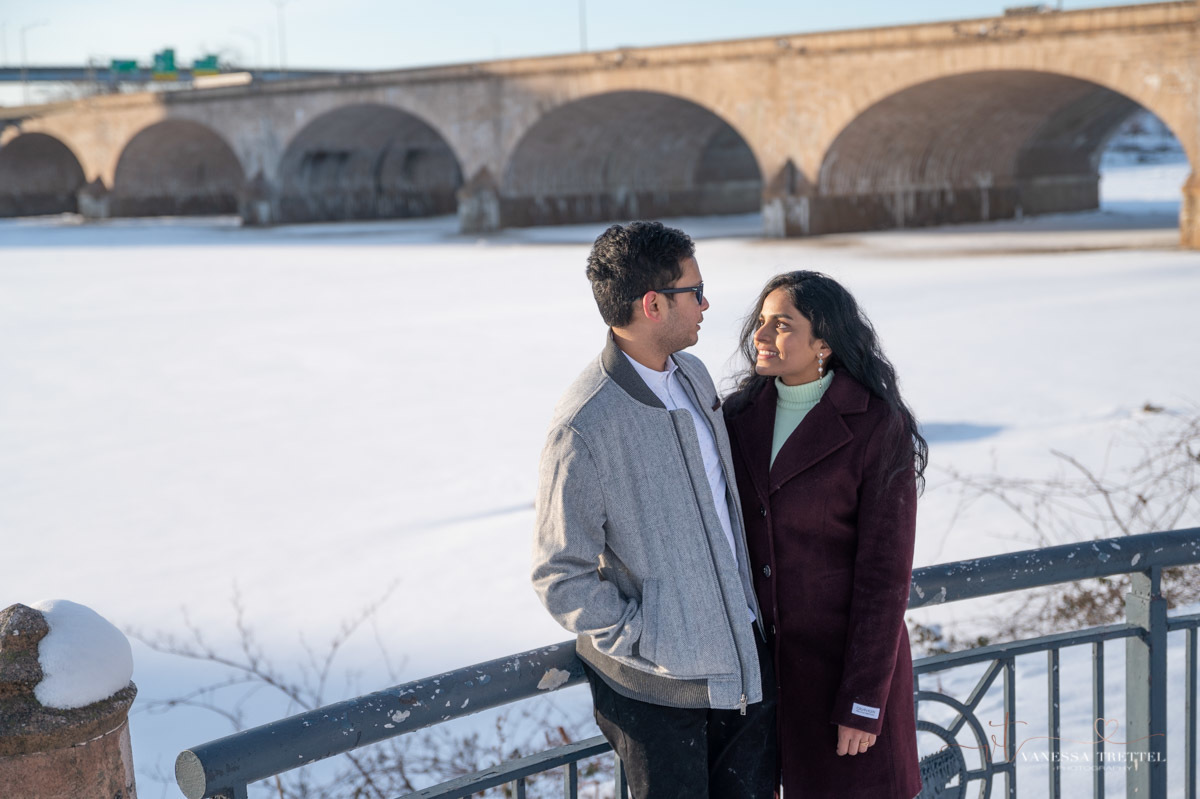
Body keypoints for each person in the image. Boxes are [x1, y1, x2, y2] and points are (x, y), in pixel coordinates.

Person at [531, 221, 777, 799]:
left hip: (741, 669)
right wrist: (647, 638)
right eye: (695, 291)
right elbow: (558, 574)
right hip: (657, 696)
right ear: (653, 304)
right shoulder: (584, 426)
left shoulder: (693, 376)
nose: (706, 304)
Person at [723, 271, 928, 799]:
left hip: (845, 678)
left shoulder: (876, 425)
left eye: (782, 325)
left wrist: (863, 701)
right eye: (761, 322)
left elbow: (885, 577)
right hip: (759, 683)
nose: (761, 336)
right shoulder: (737, 417)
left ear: (825, 342)